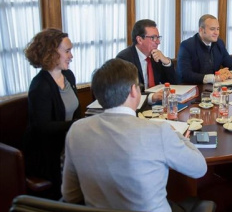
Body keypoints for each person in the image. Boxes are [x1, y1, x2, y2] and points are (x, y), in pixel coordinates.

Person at [61, 59, 207, 212]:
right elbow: (199, 168)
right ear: (133, 91)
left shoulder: (76, 131)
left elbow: (70, 195)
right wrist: (178, 135)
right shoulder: (159, 131)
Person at [23, 28, 80, 199]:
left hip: (67, 143)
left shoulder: (69, 76)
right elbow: (43, 127)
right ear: (51, 53)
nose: (71, 56)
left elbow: (74, 113)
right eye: (67, 51)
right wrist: (77, 125)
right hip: (48, 153)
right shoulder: (40, 86)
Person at [116, 19, 176, 104]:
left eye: (158, 37)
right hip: (136, 109)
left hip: (158, 107)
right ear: (140, 40)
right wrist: (151, 97)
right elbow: (126, 94)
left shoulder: (155, 55)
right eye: (153, 38)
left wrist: (166, 62)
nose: (158, 42)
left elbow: (173, 83)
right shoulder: (124, 59)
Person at [177, 14, 232, 84]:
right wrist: (214, 78)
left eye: (218, 29)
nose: (216, 33)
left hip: (214, 88)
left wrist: (231, 74)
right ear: (201, 30)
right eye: (212, 29)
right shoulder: (187, 45)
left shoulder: (219, 43)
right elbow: (185, 74)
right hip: (193, 89)